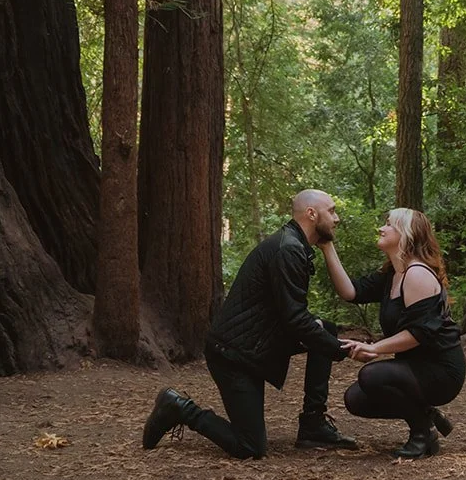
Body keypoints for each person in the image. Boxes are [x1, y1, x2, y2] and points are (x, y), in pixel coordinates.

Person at [141, 189, 358, 458]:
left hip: (254, 344)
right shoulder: (288, 249)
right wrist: (341, 350)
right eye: (332, 210)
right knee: (250, 447)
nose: (336, 218)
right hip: (232, 355)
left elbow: (290, 314)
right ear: (312, 214)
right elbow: (295, 320)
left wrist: (329, 340)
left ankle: (313, 424)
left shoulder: (294, 245)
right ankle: (180, 408)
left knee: (323, 329)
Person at [321, 207, 465, 459]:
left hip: (441, 370)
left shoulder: (417, 273)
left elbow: (419, 333)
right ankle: (426, 415)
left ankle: (422, 434)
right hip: (414, 367)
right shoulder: (392, 274)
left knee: (371, 375)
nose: (381, 228)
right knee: (355, 399)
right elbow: (351, 292)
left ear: (406, 234)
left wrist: (375, 348)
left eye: (389, 224)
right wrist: (327, 247)